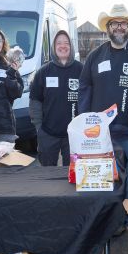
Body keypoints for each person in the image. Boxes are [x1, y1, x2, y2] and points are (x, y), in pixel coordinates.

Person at [78, 4, 128, 234]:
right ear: (108, 28)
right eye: (115, 24)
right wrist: (86, 119)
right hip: (102, 133)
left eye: (123, 23)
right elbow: (85, 87)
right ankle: (104, 220)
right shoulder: (95, 56)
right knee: (104, 179)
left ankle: (123, 221)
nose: (119, 27)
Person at [29, 30, 83, 166]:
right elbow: (35, 101)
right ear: (54, 47)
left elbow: (89, 98)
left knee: (72, 175)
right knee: (47, 177)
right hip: (48, 133)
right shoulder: (43, 72)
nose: (63, 46)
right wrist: (39, 128)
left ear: (71, 47)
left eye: (66, 43)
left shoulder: (81, 70)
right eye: (59, 43)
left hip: (74, 134)